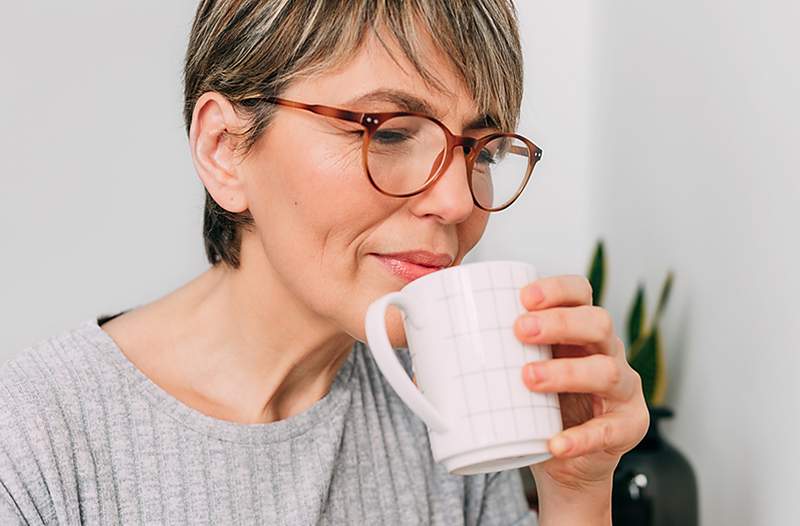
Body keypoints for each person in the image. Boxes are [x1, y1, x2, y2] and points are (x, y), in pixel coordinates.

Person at [0, 1, 649, 524]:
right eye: (390, 131)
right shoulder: (32, 444)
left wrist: (574, 493)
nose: (456, 201)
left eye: (480, 152)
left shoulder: (448, 413)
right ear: (225, 150)